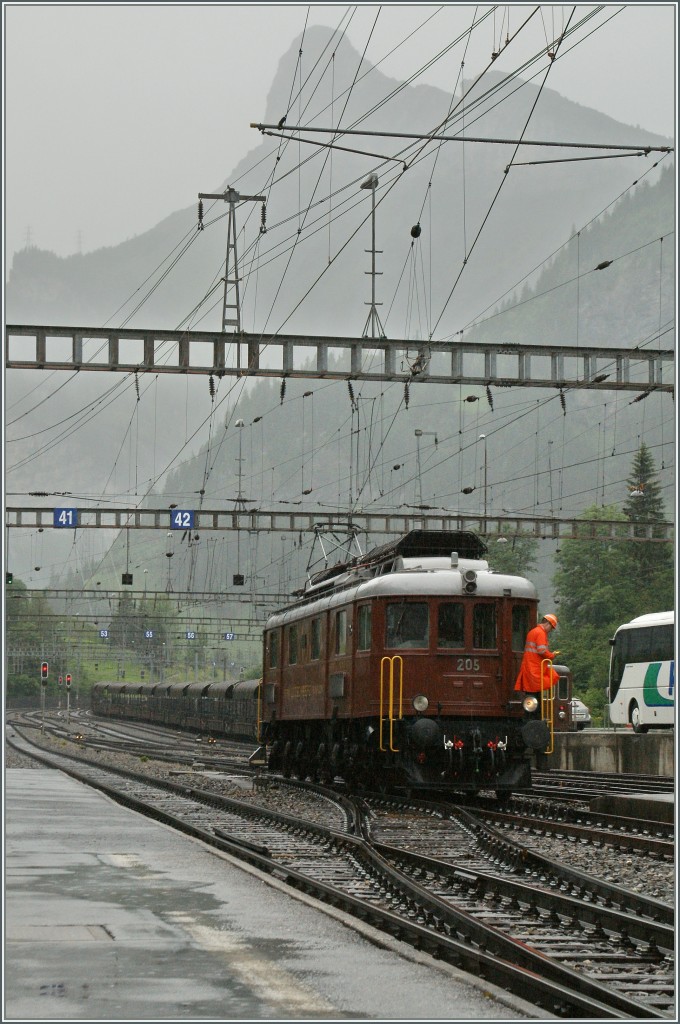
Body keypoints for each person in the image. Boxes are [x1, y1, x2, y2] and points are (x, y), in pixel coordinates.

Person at [514, 613, 560, 692]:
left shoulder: (533, 632)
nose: (550, 630)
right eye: (552, 628)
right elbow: (541, 651)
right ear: (548, 624)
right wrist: (552, 655)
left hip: (530, 666)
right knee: (553, 677)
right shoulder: (541, 633)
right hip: (536, 668)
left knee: (531, 692)